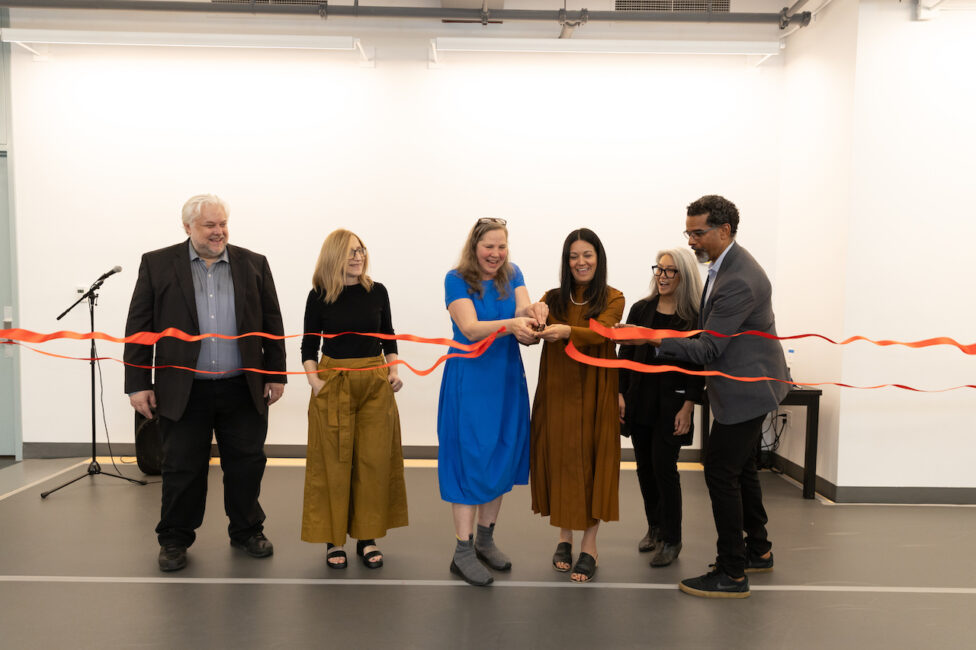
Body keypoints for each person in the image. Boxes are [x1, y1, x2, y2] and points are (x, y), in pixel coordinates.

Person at [124, 194, 287, 572]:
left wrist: (275, 374)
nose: (219, 232)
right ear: (187, 228)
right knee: (182, 468)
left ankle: (247, 530)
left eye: (223, 223)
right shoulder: (157, 264)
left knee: (247, 464)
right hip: (184, 389)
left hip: (242, 387)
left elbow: (272, 324)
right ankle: (175, 539)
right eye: (210, 225)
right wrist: (138, 383)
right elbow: (139, 328)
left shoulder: (254, 264)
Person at [649, 195, 789, 598]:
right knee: (742, 469)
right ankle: (758, 551)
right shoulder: (725, 266)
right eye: (688, 232)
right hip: (746, 385)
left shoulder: (738, 279)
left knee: (720, 472)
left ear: (724, 231)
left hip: (748, 390)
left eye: (698, 232)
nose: (691, 241)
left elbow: (709, 348)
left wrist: (656, 340)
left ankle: (732, 571)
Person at [437, 217, 548, 587]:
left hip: (504, 376)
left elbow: (521, 313)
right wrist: (511, 327)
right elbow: (469, 328)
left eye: (502, 246)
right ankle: (462, 550)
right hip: (470, 380)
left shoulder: (513, 273)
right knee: (471, 458)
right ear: (474, 247)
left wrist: (534, 317)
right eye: (489, 247)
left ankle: (485, 539)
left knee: (502, 452)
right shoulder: (456, 279)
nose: (496, 254)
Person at [299, 229, 408, 570]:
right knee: (334, 462)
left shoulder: (378, 292)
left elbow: (387, 336)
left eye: (360, 250)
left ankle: (367, 536)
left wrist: (393, 370)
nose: (358, 257)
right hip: (334, 381)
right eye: (350, 252)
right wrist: (315, 382)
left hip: (374, 381)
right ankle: (334, 540)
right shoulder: (319, 295)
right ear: (334, 257)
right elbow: (308, 345)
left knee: (372, 462)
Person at [529, 228, 625, 583]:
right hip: (557, 388)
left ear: (598, 258)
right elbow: (534, 331)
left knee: (593, 460)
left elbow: (602, 332)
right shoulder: (551, 298)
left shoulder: (614, 297)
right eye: (573, 256)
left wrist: (566, 331)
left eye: (587, 255)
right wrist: (533, 318)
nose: (580, 262)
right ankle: (563, 539)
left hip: (596, 388)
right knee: (561, 459)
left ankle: (589, 545)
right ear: (566, 261)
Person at [617, 248, 704, 569]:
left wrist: (690, 404)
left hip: (673, 403)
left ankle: (672, 538)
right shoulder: (642, 309)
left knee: (664, 469)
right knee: (644, 468)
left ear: (684, 275)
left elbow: (699, 362)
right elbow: (624, 352)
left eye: (670, 271)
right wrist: (619, 392)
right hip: (640, 400)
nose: (663, 276)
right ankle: (654, 527)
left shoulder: (693, 316)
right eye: (659, 270)